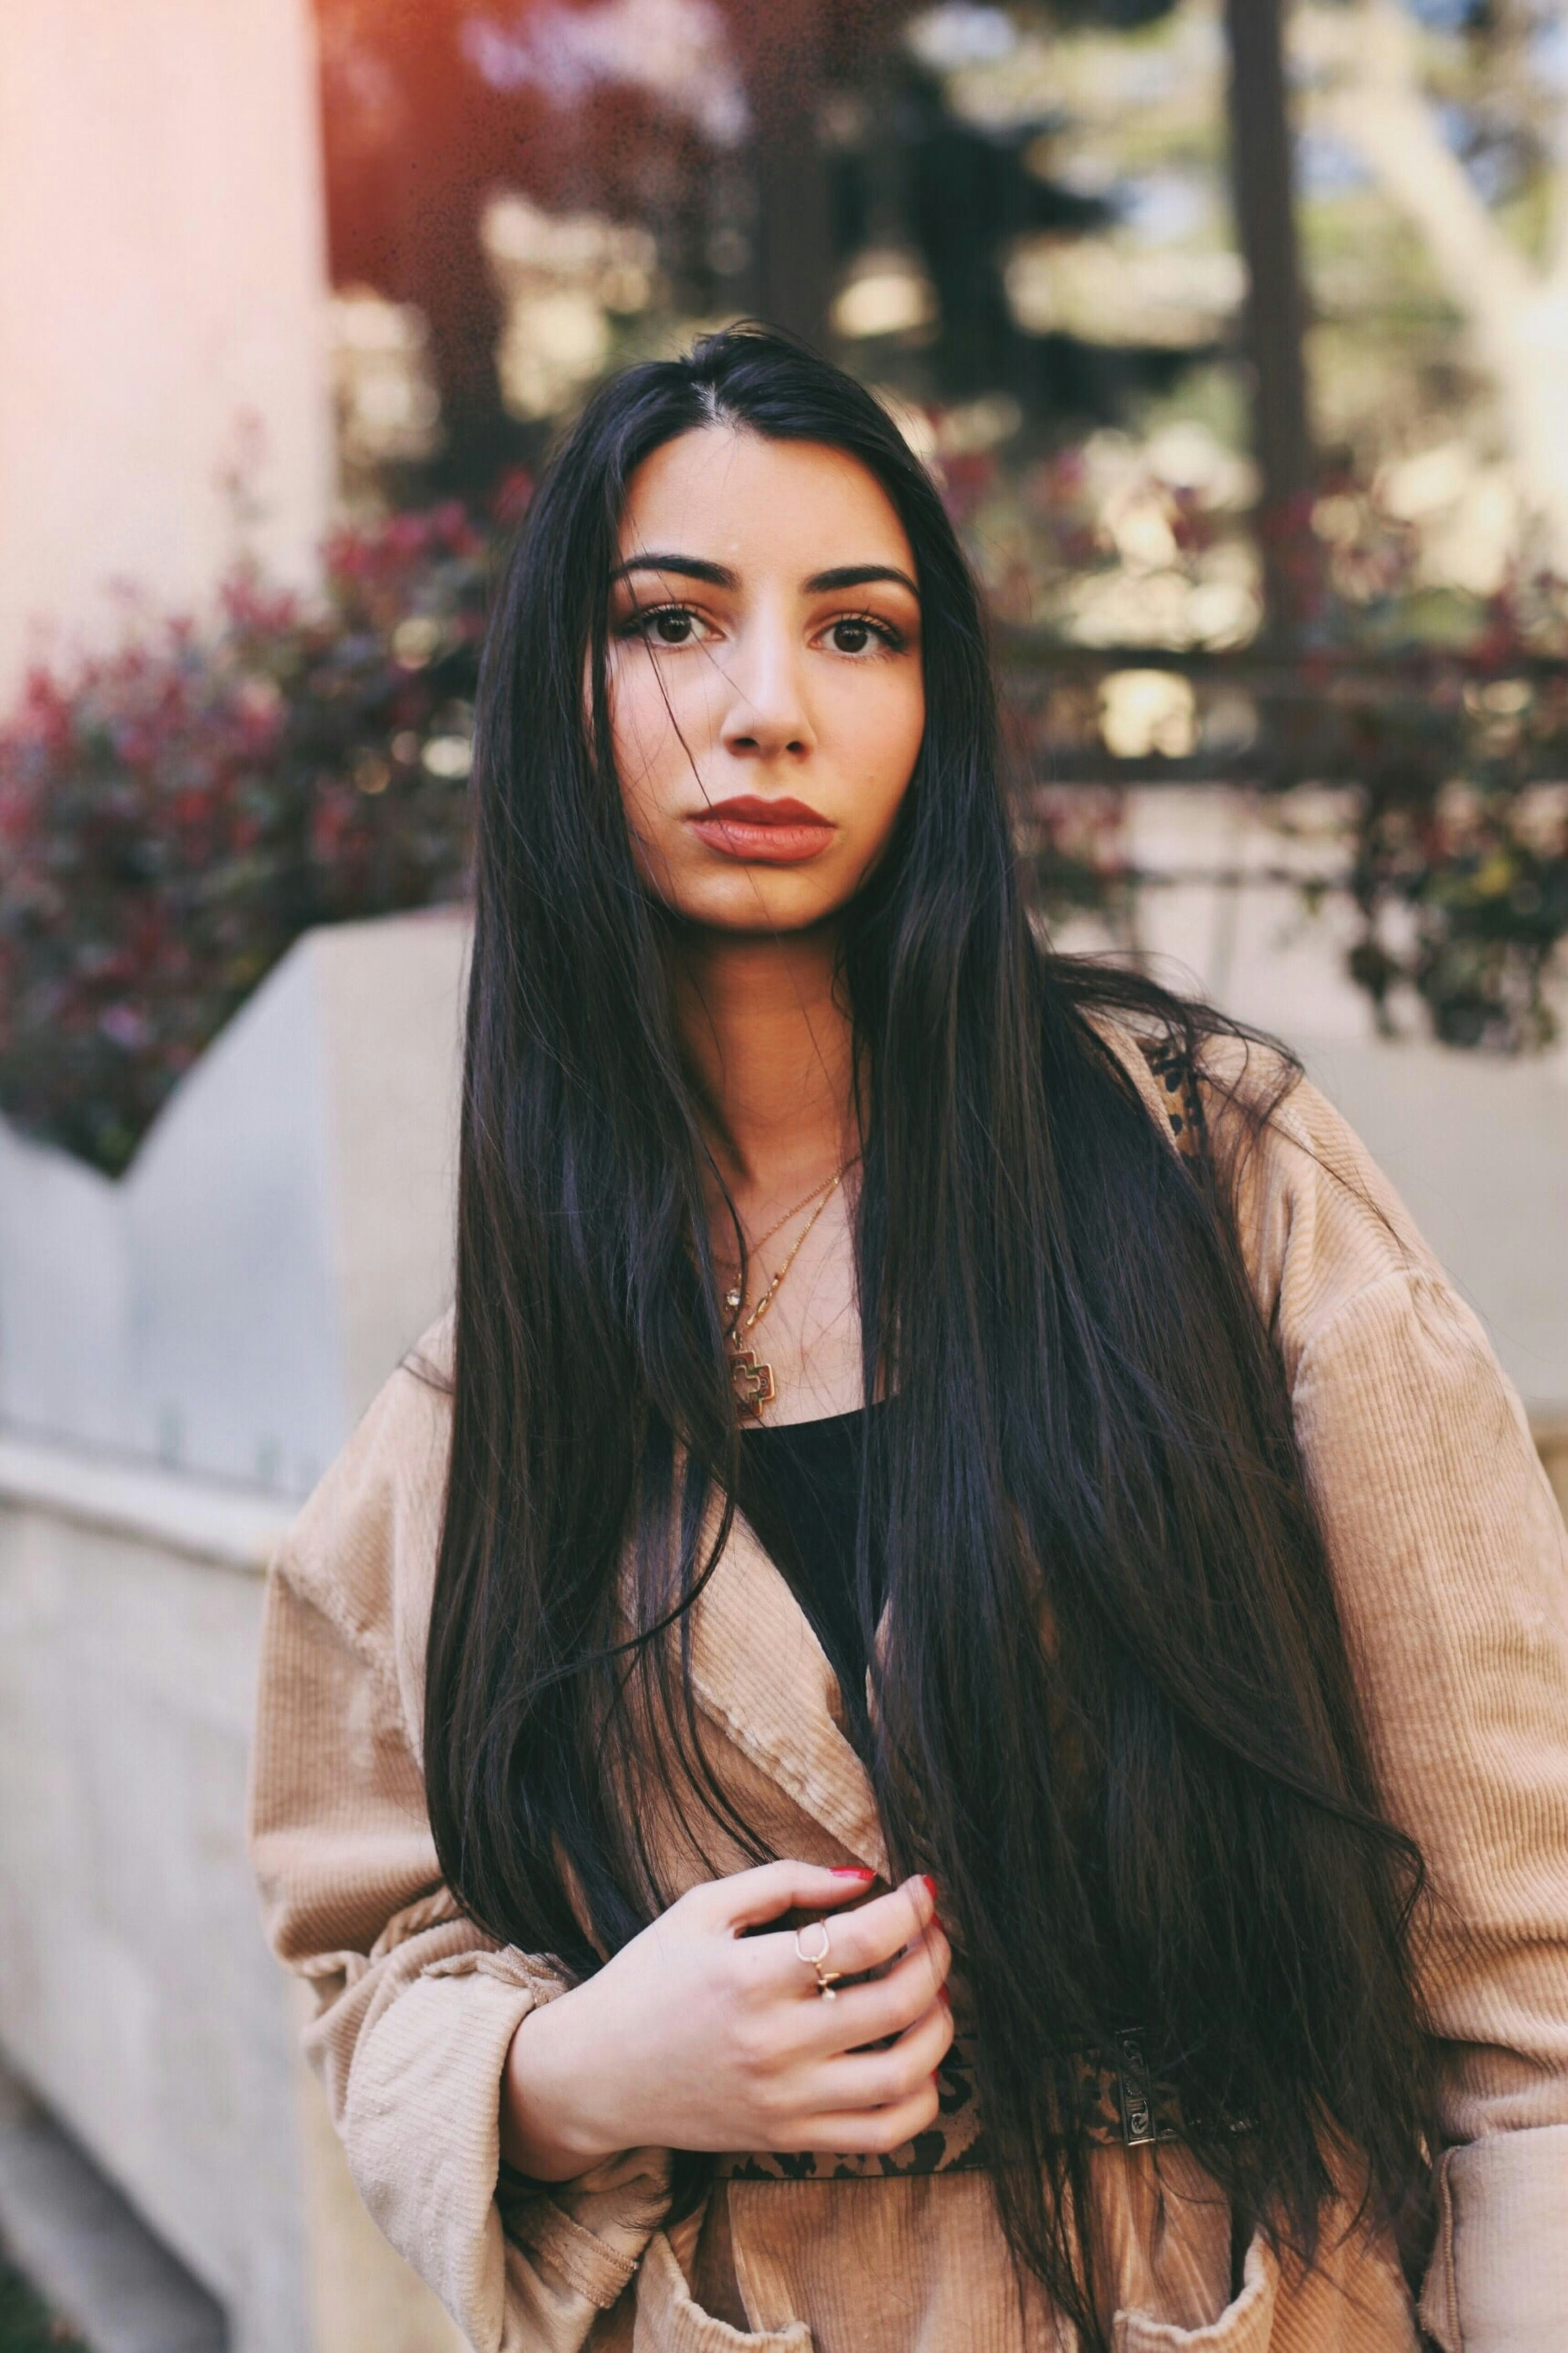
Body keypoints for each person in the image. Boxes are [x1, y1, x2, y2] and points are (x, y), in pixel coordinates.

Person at [249, 328, 1568, 2353]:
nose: (769, 710)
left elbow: (1520, 1962)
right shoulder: (475, 1403)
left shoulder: (1211, 1176)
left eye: (858, 633)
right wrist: (578, 2070)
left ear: (938, 705)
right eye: (671, 621)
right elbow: (366, 1936)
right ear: (553, 699)